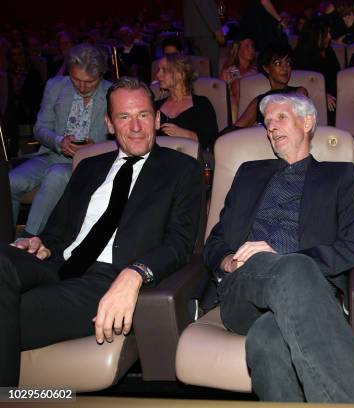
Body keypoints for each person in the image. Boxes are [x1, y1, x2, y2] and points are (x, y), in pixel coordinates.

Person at [0, 76, 202, 386]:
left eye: (143, 115)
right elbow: (57, 233)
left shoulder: (181, 169)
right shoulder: (90, 167)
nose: (135, 126)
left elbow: (180, 243)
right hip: (55, 265)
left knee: (16, 310)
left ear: (158, 118)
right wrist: (40, 243)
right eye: (124, 116)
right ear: (109, 123)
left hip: (107, 280)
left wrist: (135, 273)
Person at [203, 92, 354, 403]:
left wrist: (289, 259)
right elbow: (215, 241)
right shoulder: (248, 174)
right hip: (243, 289)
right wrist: (229, 261)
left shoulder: (338, 176)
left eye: (280, 118)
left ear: (308, 122)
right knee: (290, 271)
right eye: (268, 124)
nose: (272, 128)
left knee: (267, 341)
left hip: (307, 293)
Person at [9, 44, 111, 236]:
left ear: (100, 75)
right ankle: (4, 240)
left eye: (89, 82)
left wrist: (94, 148)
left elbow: (121, 141)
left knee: (56, 175)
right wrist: (58, 140)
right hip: (53, 154)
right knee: (10, 182)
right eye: (76, 80)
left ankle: (29, 239)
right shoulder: (55, 86)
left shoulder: (111, 92)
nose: (81, 86)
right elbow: (39, 128)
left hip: (89, 163)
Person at [233, 43, 308, 128]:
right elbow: (236, 128)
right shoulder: (260, 101)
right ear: (266, 68)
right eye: (278, 63)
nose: (285, 68)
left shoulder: (299, 92)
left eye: (288, 63)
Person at [154, 53, 218, 150]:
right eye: (158, 70)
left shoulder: (201, 104)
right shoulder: (156, 106)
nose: (158, 75)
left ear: (180, 74)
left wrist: (186, 134)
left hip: (191, 160)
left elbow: (212, 142)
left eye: (164, 70)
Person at [293, 19, 340, 124]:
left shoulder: (329, 51)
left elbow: (337, 76)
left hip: (333, 96)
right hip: (312, 97)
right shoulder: (301, 55)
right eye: (326, 33)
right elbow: (301, 83)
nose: (329, 37)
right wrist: (322, 94)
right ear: (317, 36)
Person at [219, 36, 258, 122]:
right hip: (238, 113)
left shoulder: (255, 70)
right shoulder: (232, 70)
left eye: (252, 46)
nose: (251, 49)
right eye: (247, 46)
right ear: (238, 49)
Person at [183, 0, 225, 77]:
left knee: (202, 71)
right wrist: (217, 30)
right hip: (205, 32)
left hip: (199, 31)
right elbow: (204, 7)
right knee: (210, 71)